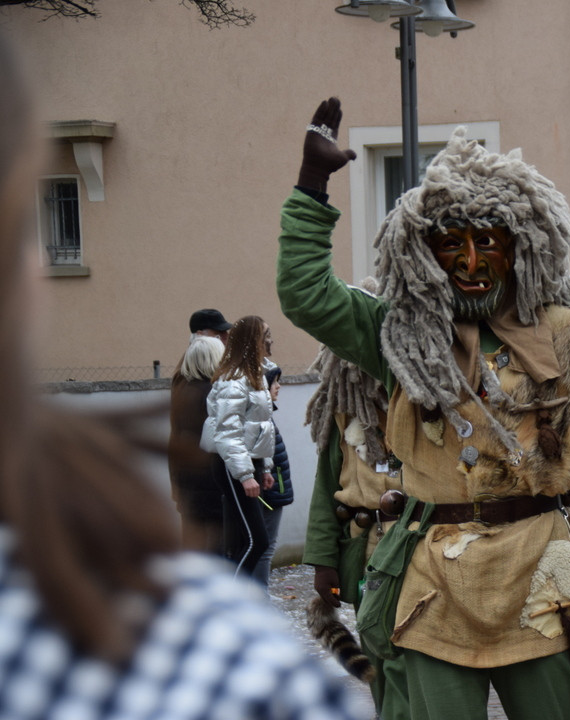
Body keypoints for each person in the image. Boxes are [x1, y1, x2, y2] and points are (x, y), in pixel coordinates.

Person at [277, 97, 570, 719]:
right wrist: (311, 189)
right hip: (434, 589)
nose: (471, 262)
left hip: (539, 582)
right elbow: (307, 296)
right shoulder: (398, 335)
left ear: (522, 247)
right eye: (452, 243)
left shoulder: (568, 335)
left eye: (489, 242)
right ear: (425, 253)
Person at [0, 36, 371, 720]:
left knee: (244, 553)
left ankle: (251, 595)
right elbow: (232, 435)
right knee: (247, 551)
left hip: (220, 493)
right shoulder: (229, 676)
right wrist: (252, 471)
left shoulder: (204, 382)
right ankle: (250, 600)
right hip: (230, 492)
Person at [303, 342, 409, 719]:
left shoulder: (426, 403)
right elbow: (324, 489)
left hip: (422, 545)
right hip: (366, 548)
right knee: (376, 641)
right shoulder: (341, 415)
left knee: (421, 650)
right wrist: (322, 562)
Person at [202, 315, 276, 579]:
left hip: (247, 463)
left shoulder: (256, 375)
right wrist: (245, 475)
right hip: (232, 466)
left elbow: (260, 426)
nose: (270, 340)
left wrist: (264, 467)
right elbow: (227, 432)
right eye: (264, 334)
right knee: (256, 541)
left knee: (242, 542)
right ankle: (230, 604)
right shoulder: (234, 379)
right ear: (251, 341)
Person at [168, 334, 227, 554]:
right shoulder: (212, 394)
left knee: (193, 543)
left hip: (186, 478)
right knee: (216, 546)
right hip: (210, 480)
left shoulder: (181, 389)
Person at [253, 365, 294, 586]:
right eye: (274, 381)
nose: (279, 386)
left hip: (272, 488)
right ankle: (261, 598)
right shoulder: (259, 415)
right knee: (265, 548)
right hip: (268, 491)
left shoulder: (266, 413)